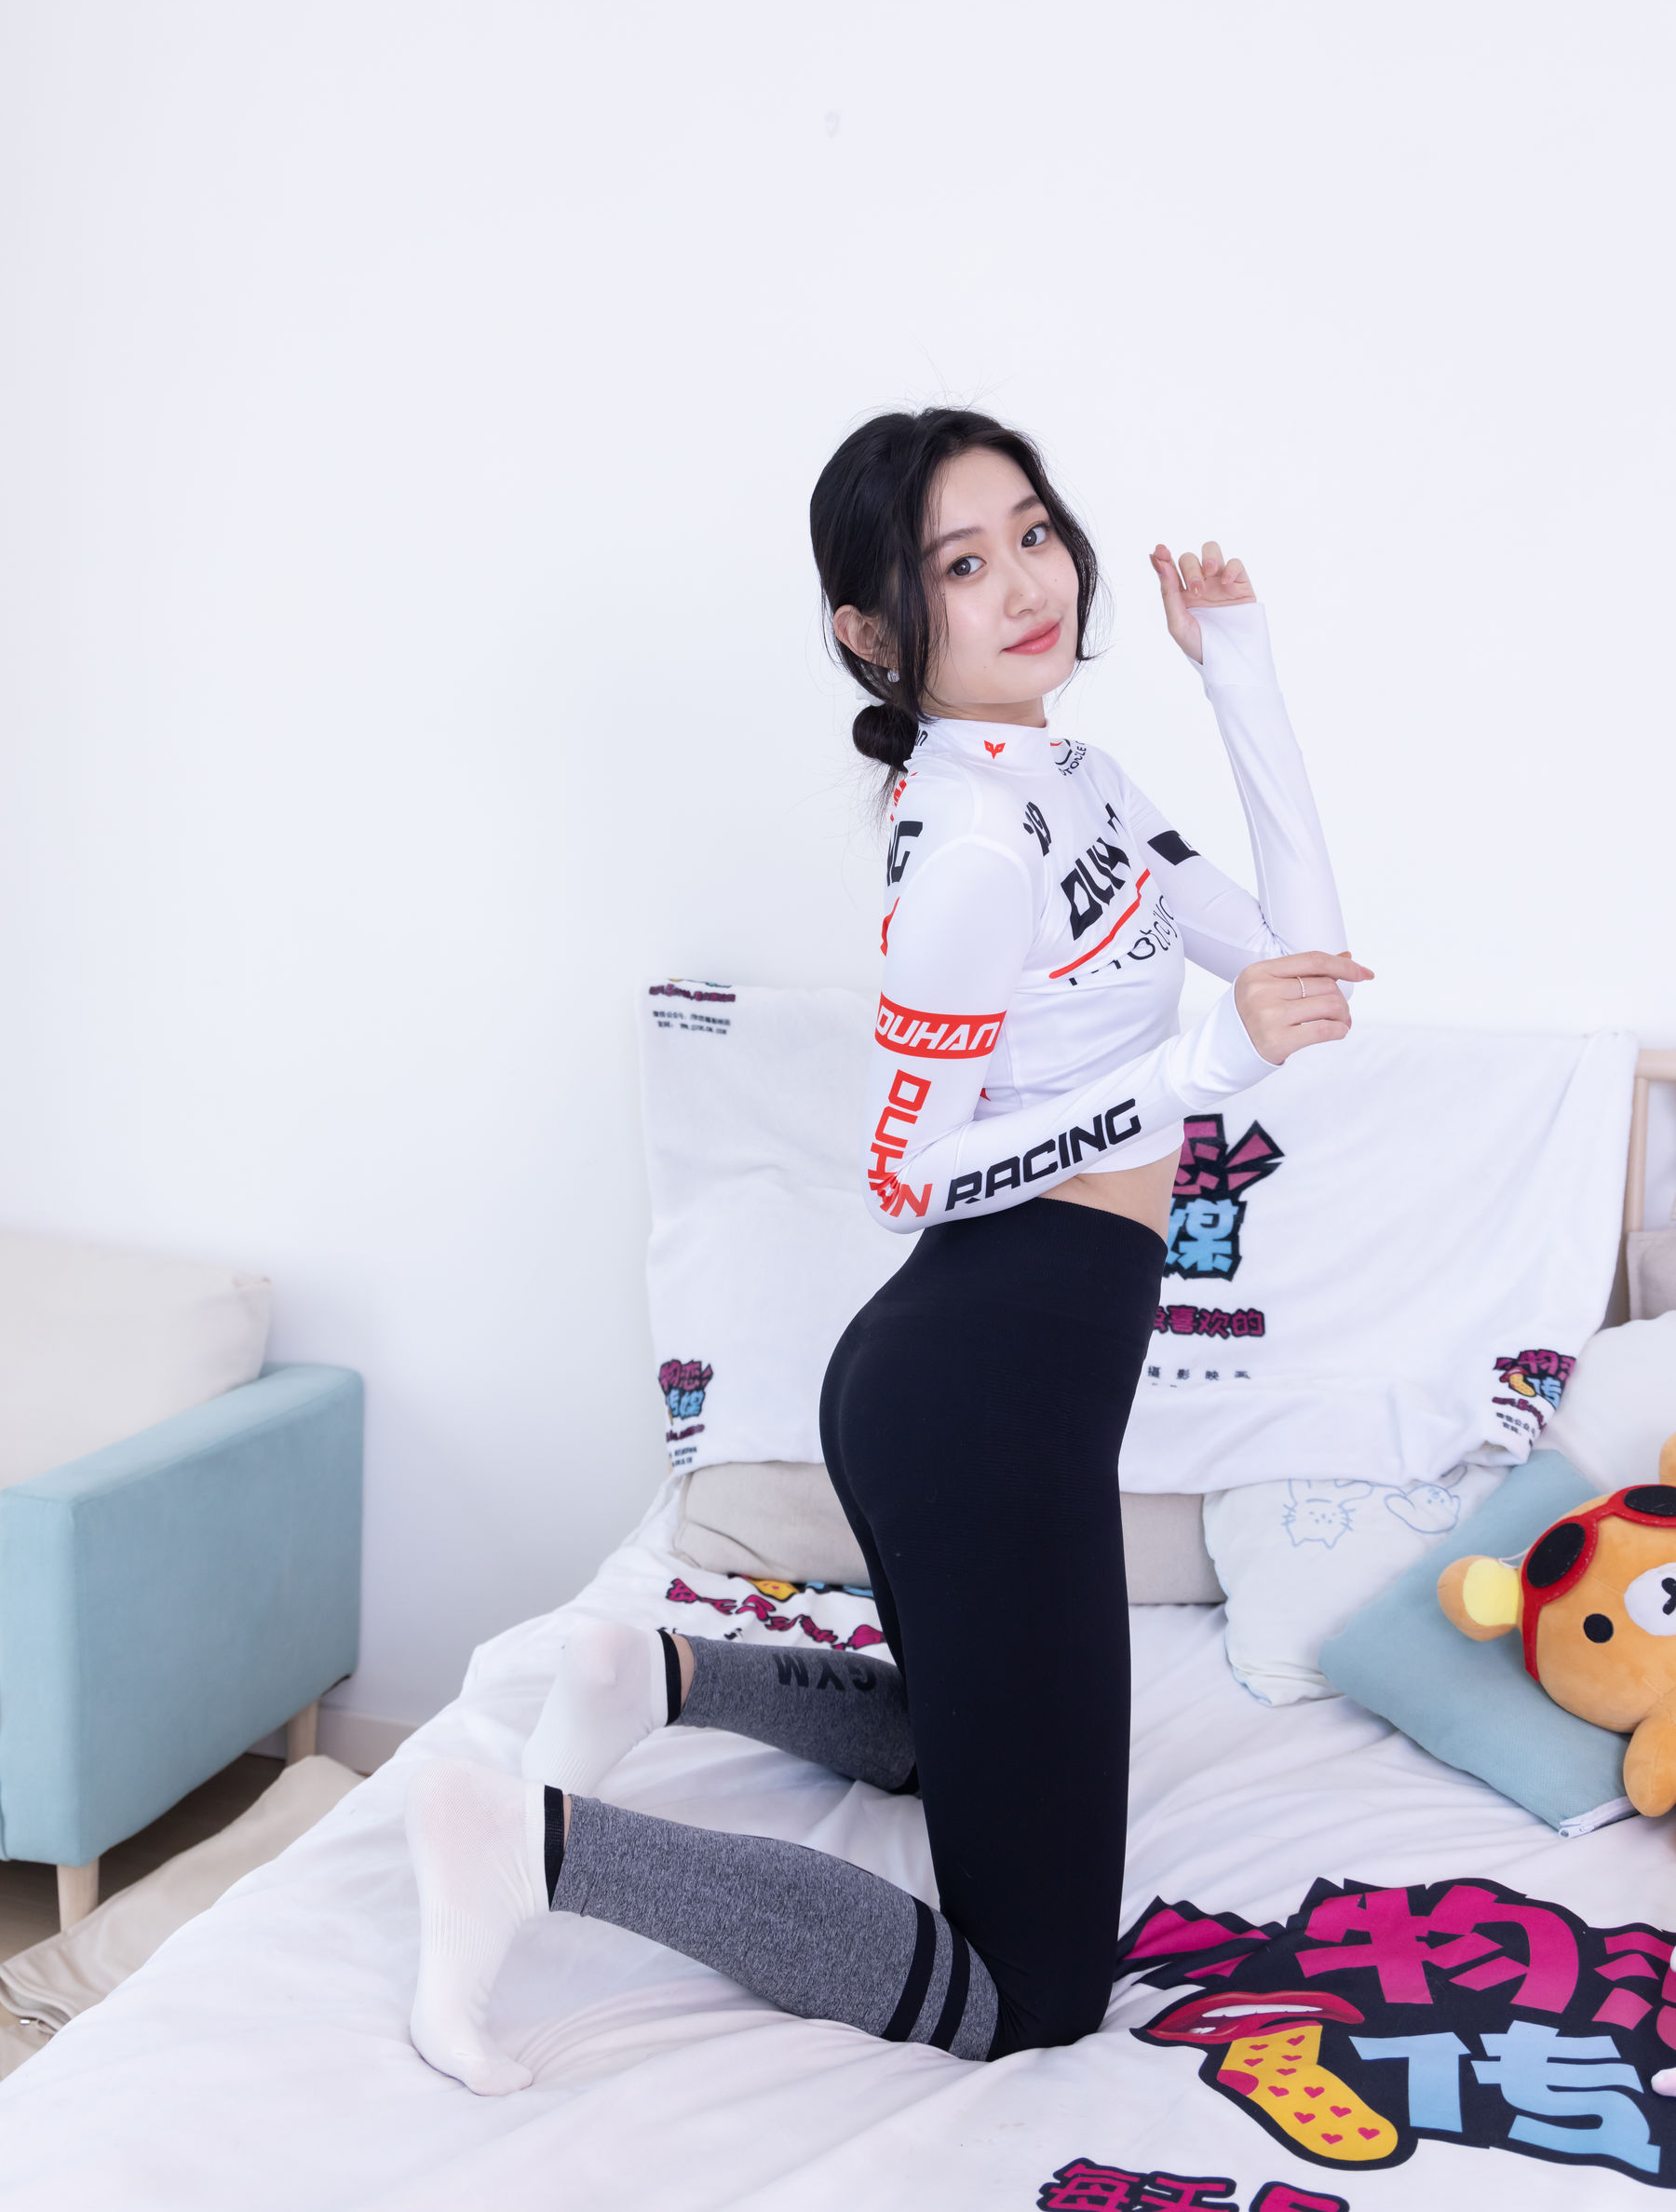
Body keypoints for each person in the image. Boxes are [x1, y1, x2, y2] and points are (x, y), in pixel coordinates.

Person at [404, 407, 1371, 2092]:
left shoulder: (1070, 775)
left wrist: (1240, 668)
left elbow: (1309, 959)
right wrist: (1193, 1073)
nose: (1026, 583)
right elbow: (907, 1173)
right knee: (1036, 1990)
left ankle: (655, 1672)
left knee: (959, 1735)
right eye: (961, 563)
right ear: (874, 630)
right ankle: (527, 1848)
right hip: (976, 1405)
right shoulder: (972, 848)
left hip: (993, 1383)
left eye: (1033, 532)